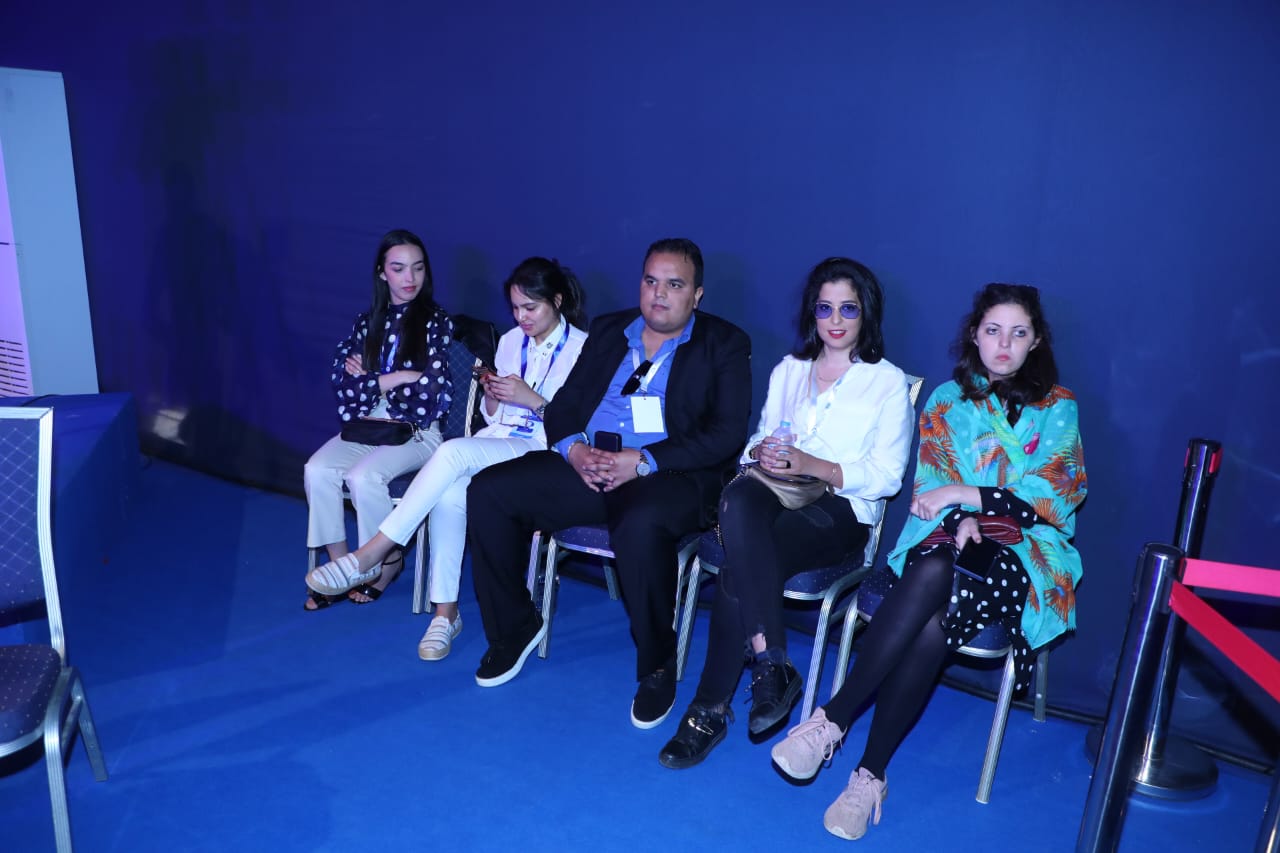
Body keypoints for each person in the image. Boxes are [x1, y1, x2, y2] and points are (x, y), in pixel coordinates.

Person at [768, 283, 1087, 841]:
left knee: (941, 590)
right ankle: (870, 775)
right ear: (974, 335)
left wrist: (970, 500)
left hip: (1029, 551)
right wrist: (959, 514)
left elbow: (1055, 493)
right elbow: (930, 487)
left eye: (1018, 333)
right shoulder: (947, 399)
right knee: (938, 591)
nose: (1004, 345)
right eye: (993, 331)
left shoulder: (1058, 405)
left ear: (1036, 341)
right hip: (946, 537)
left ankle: (835, 720)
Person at [465, 237, 752, 730]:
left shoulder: (724, 343)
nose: (659, 294)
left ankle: (657, 665)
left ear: (697, 295)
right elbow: (566, 404)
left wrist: (642, 460)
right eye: (651, 281)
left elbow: (726, 435)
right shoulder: (610, 330)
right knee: (489, 490)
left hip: (667, 475)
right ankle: (514, 628)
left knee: (639, 524)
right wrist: (574, 451)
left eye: (674, 285)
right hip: (590, 462)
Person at [658, 257, 915, 769]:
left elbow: (887, 477)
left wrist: (811, 464)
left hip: (840, 511)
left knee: (739, 566)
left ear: (866, 314)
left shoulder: (886, 382)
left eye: (848, 309)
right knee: (738, 498)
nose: (835, 320)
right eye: (825, 308)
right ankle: (771, 662)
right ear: (811, 313)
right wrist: (765, 452)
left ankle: (709, 708)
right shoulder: (790, 370)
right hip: (775, 494)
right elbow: (756, 440)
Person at [305, 258, 588, 661]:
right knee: (452, 493)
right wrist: (492, 396)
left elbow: (580, 425)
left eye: (531, 308)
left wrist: (533, 400)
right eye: (515, 308)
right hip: (499, 441)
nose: (521, 317)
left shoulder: (584, 349)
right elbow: (494, 417)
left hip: (543, 449)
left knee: (451, 451)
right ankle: (445, 613)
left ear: (557, 301)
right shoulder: (511, 341)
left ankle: (372, 552)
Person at [302, 229, 453, 611]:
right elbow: (344, 386)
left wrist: (372, 381)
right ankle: (342, 566)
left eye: (418, 268)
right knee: (317, 469)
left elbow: (429, 394)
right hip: (370, 425)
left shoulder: (435, 322)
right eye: (399, 269)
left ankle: (383, 563)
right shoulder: (366, 322)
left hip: (417, 432)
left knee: (363, 476)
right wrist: (397, 377)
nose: (410, 278)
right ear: (382, 273)